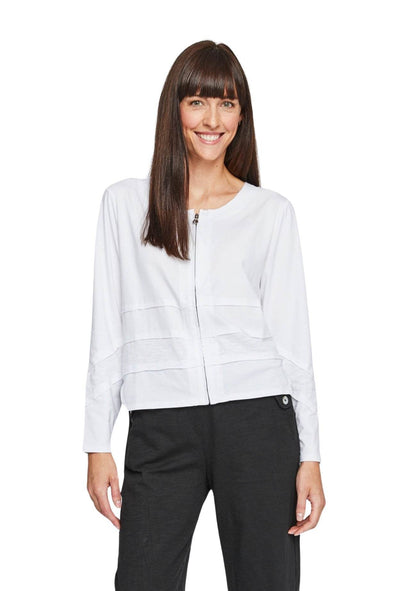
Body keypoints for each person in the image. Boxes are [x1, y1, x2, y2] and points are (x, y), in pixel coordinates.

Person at [83, 40, 326, 591]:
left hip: (258, 421)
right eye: (197, 102)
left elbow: (293, 342)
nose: (212, 120)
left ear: (242, 115)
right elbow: (108, 330)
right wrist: (97, 442)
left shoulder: (270, 213)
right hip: (162, 425)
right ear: (175, 110)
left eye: (227, 103)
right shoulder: (125, 205)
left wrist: (310, 454)